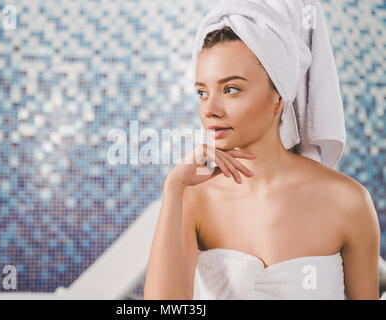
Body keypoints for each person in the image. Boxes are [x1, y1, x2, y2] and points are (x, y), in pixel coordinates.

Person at [144, 26, 380, 299]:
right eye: (202, 93)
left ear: (277, 99)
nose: (209, 109)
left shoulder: (348, 201)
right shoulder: (193, 200)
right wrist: (174, 185)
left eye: (230, 89)